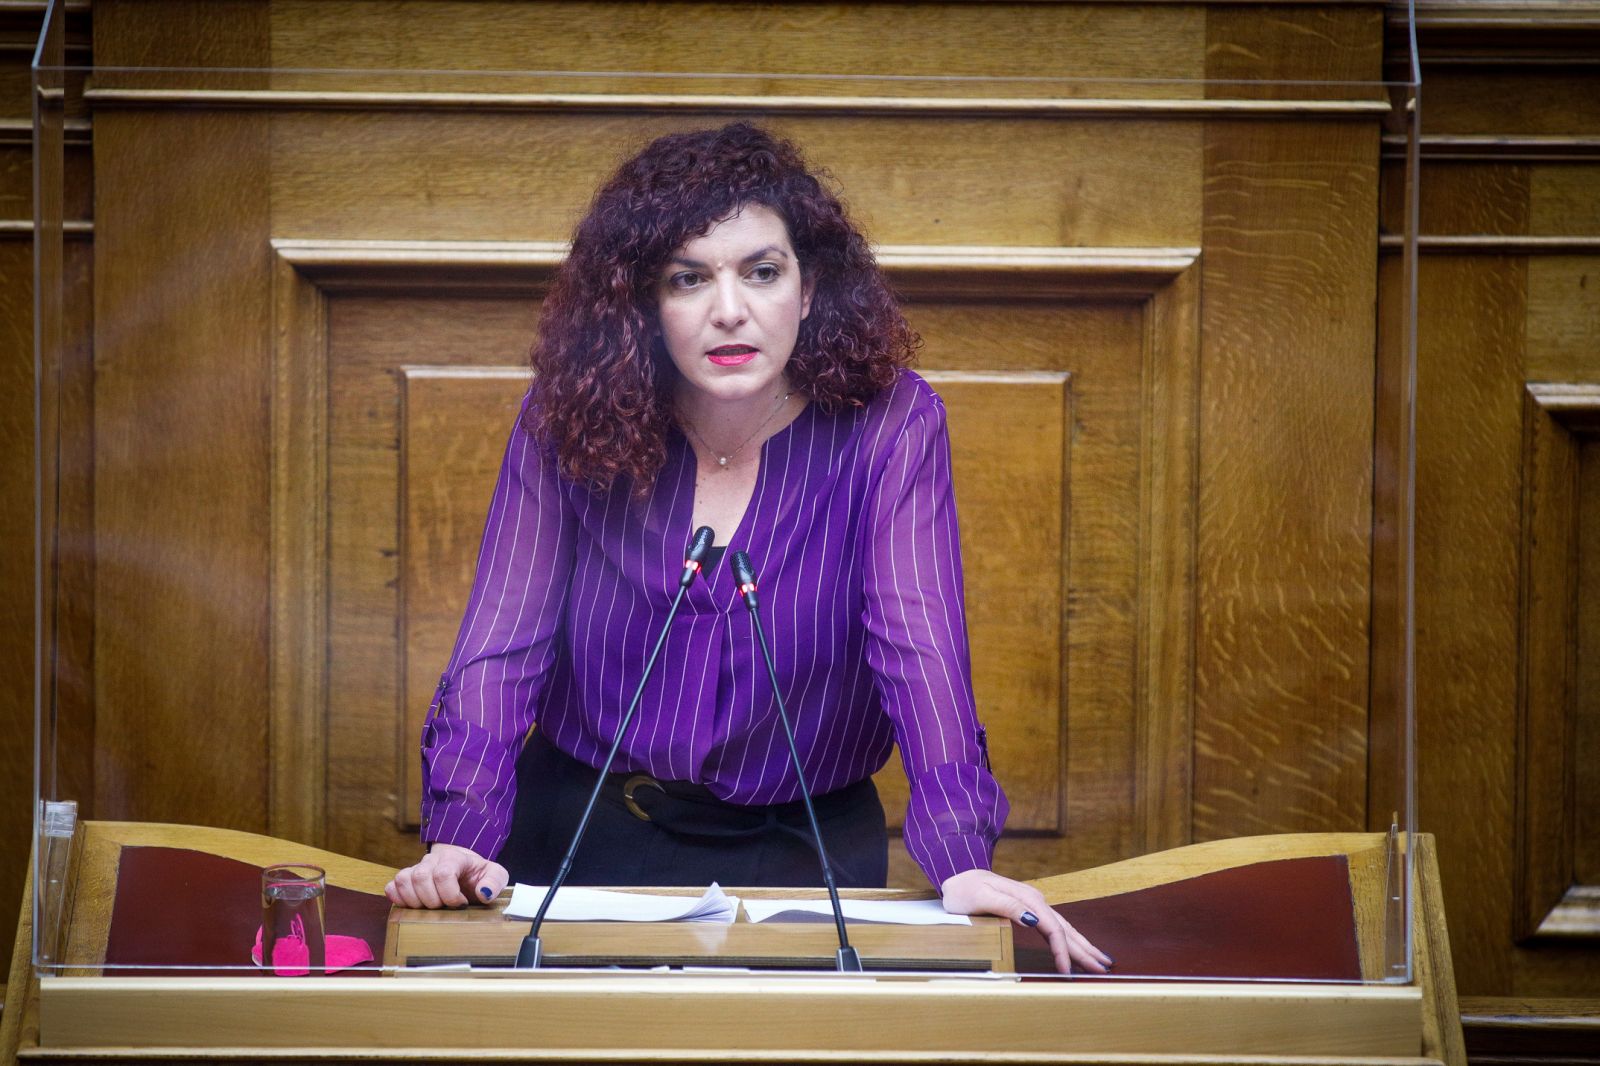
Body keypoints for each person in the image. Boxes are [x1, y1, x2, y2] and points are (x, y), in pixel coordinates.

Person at [384, 122, 1109, 975]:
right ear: (642, 305)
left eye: (762, 272)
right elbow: (502, 644)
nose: (729, 309)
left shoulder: (891, 424)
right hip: (582, 840)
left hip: (803, 851)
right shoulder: (565, 416)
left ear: (809, 289)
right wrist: (461, 832)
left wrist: (961, 855)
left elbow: (920, 645)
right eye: (688, 278)